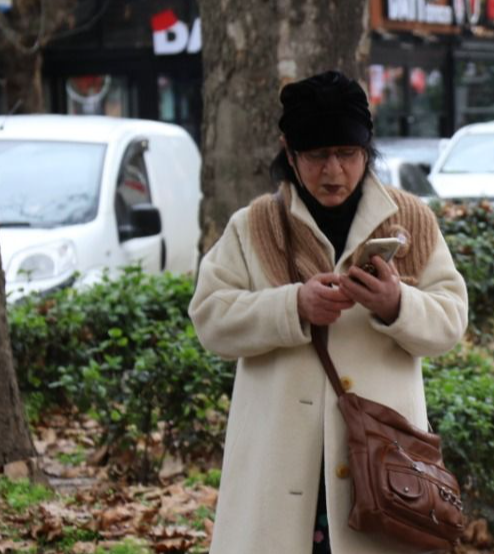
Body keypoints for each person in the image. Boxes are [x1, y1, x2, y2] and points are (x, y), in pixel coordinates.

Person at [190, 71, 468, 554]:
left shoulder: (411, 220)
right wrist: (292, 305)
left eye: (347, 154)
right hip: (279, 466)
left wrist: (396, 303)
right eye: (317, 156)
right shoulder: (254, 225)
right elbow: (211, 319)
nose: (333, 171)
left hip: (383, 468)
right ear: (289, 153)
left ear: (367, 149)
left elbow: (450, 322)